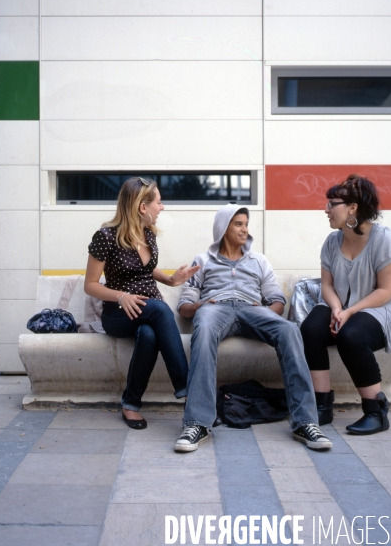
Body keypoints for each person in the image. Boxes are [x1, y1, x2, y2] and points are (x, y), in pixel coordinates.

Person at [174, 204, 332, 452]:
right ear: (223, 228)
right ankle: (197, 423)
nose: (244, 229)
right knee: (203, 332)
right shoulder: (202, 260)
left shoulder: (259, 260)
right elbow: (184, 306)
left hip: (253, 309)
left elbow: (276, 299)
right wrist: (201, 304)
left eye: (246, 224)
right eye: (238, 224)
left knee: (290, 330)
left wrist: (265, 316)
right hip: (215, 308)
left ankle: (305, 422)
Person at [84, 177, 199, 430]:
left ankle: (130, 404)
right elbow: (90, 285)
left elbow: (146, 270)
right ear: (142, 207)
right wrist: (121, 296)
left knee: (148, 335)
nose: (162, 207)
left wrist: (171, 280)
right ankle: (189, 393)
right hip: (118, 313)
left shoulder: (148, 233)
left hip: (148, 312)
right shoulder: (106, 236)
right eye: (159, 202)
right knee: (159, 310)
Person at [300, 174, 391, 435]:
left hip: (382, 311)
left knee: (351, 334)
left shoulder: (385, 240)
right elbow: (327, 285)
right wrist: (336, 307)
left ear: (352, 208)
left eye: (331, 204)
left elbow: (386, 290)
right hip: (345, 306)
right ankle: (322, 405)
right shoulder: (332, 242)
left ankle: (376, 411)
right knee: (312, 327)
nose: (326, 210)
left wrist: (348, 312)